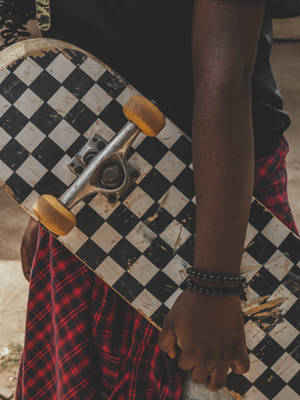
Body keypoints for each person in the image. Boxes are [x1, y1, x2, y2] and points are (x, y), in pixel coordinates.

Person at [1, 0, 299, 399]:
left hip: (212, 210)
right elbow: (73, 50)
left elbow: (225, 77)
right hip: (91, 189)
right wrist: (51, 190)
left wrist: (216, 283)